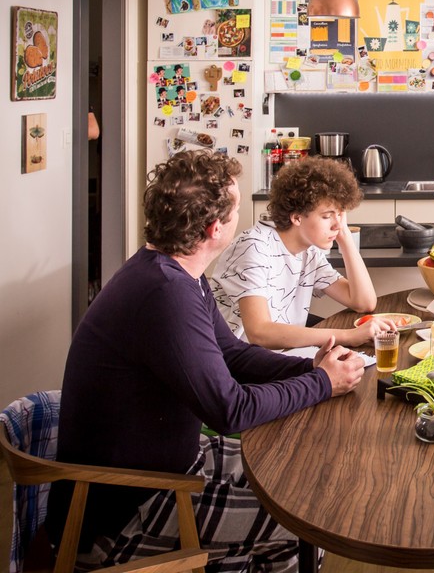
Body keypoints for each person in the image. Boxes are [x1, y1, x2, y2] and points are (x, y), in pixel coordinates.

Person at [46, 149, 366, 573]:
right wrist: (323, 383)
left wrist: (308, 368)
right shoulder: (167, 294)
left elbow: (232, 353)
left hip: (172, 465)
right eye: (237, 208)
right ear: (216, 228)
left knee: (302, 474)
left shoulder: (175, 273)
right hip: (130, 511)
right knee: (302, 520)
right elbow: (229, 410)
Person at [212, 156, 392, 354]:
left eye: (340, 214)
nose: (337, 224)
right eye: (327, 216)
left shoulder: (309, 251)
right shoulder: (254, 248)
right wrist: (347, 336)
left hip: (281, 356)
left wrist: (346, 237)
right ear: (297, 217)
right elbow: (259, 333)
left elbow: (364, 302)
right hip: (238, 363)